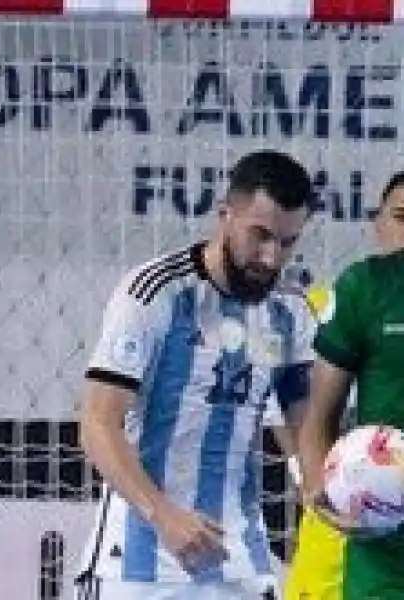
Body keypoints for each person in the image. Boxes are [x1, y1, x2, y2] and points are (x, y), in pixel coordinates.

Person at [75, 150, 316, 600]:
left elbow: (304, 427)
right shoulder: (156, 292)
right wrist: (163, 516)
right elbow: (97, 425)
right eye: (260, 235)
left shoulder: (290, 311)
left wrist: (335, 486)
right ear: (225, 216)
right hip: (137, 567)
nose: (270, 257)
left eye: (287, 242)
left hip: (240, 565)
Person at [296, 172, 404, 600]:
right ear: (378, 223)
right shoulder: (364, 288)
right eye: (401, 217)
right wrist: (320, 492)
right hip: (384, 553)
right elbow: (318, 418)